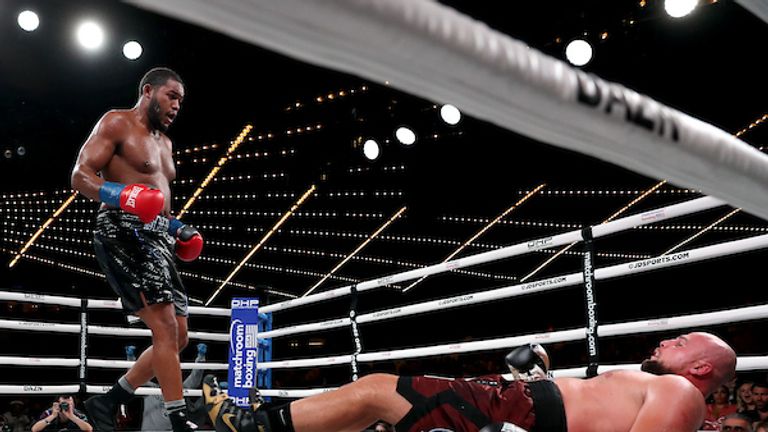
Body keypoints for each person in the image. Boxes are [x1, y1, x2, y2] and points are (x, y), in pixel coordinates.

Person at [202, 331, 736, 432]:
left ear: (702, 368)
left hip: (525, 415)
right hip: (522, 402)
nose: (666, 342)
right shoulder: (662, 387)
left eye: (682, 342)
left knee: (378, 393)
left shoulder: (682, 393)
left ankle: (249, 423)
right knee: (374, 403)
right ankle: (263, 418)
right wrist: (542, 375)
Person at [70, 66, 204, 432]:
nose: (177, 105)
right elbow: (80, 176)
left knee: (180, 335)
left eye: (181, 100)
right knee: (163, 327)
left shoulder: (166, 143)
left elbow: (157, 200)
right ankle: (177, 419)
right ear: (149, 91)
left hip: (157, 235)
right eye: (171, 96)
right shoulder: (117, 123)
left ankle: (109, 401)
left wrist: (178, 229)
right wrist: (120, 194)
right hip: (122, 228)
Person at [141, 343, 210, 431]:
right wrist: (130, 358)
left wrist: (201, 356)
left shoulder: (179, 389)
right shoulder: (150, 389)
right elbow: (135, 377)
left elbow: (195, 378)